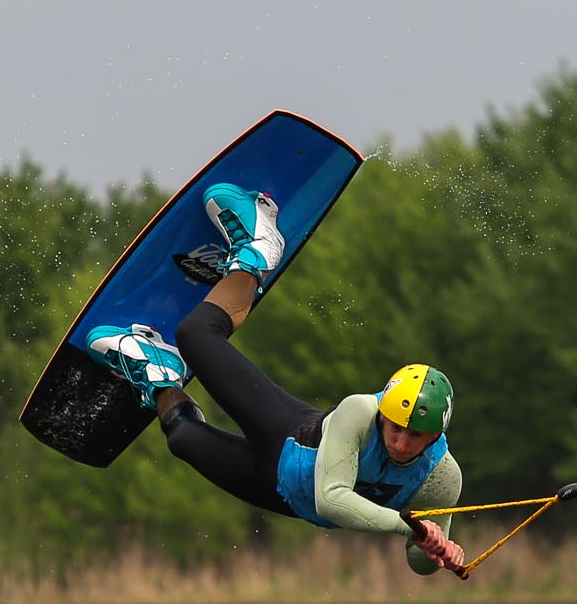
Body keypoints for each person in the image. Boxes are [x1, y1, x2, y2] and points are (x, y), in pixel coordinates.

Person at [85, 183, 466, 576]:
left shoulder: (441, 479)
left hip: (283, 495)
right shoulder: (360, 412)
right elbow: (332, 499)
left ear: (434, 437)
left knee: (182, 439)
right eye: (394, 428)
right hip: (285, 437)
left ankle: (159, 370)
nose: (400, 443)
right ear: (383, 413)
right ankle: (259, 249)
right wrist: (410, 524)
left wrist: (440, 551)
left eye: (414, 437)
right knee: (195, 335)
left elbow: (419, 562)